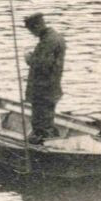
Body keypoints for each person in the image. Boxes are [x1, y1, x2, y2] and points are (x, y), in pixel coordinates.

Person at [23, 13, 66, 144]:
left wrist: (29, 59)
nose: (32, 34)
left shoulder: (48, 41)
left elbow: (42, 65)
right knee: (46, 119)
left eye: (31, 31)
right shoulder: (54, 37)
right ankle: (49, 141)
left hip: (43, 89)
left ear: (37, 26)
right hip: (51, 87)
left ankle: (44, 147)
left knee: (40, 122)